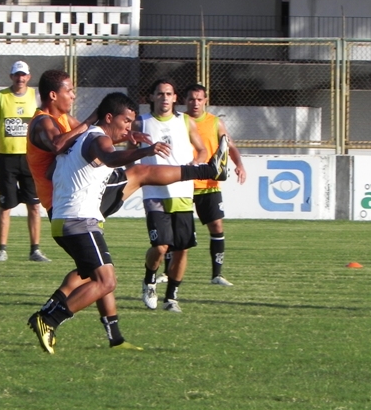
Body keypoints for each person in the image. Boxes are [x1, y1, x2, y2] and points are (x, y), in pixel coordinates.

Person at [27, 92, 228, 354]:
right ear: (109, 117)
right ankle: (48, 319)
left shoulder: (83, 140)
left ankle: (114, 338)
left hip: (70, 220)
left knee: (99, 276)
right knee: (106, 281)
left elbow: (57, 169)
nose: (129, 126)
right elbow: (109, 157)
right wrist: (144, 151)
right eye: (126, 121)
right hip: (79, 221)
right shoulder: (96, 137)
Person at [130, 79, 209, 313]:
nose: (165, 98)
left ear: (175, 98)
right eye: (160, 94)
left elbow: (203, 149)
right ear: (151, 97)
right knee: (161, 246)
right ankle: (149, 280)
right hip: (154, 192)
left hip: (182, 192)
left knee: (181, 248)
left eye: (169, 94)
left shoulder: (185, 121)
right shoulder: (141, 123)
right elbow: (129, 151)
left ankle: (171, 297)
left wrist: (196, 164)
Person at [157, 84, 246, 286]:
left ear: (205, 100)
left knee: (216, 225)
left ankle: (217, 274)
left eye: (199, 99)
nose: (195, 103)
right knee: (174, 231)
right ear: (184, 100)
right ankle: (166, 272)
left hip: (208, 183)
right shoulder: (178, 121)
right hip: (183, 183)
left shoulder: (215, 123)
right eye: (191, 99)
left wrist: (239, 164)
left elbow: (229, 146)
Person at [0, 60, 50, 263]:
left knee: (34, 205)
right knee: (5, 205)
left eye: (23, 75)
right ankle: (2, 249)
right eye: (17, 75)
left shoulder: (35, 96)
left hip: (30, 158)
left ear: (28, 77)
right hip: (6, 158)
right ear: (11, 76)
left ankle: (35, 250)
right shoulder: (1, 96)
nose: (20, 78)